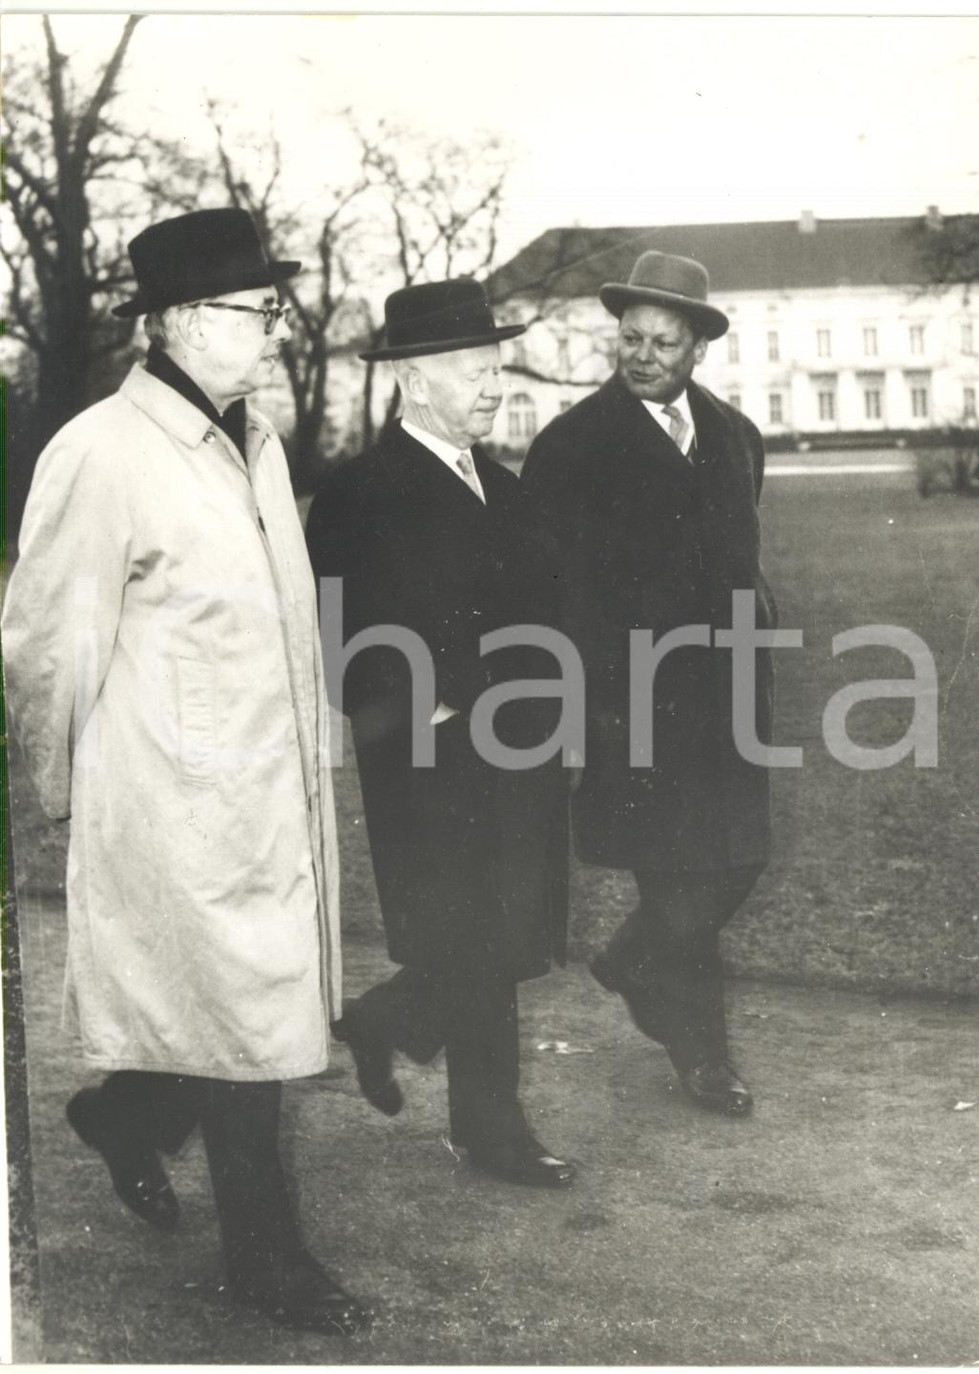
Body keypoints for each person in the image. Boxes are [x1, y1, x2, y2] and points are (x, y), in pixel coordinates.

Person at [2, 208, 368, 1335]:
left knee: (243, 1008)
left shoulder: (250, 445)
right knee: (248, 1020)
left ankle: (127, 1117)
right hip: (176, 795)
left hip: (264, 793)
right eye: (254, 311)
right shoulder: (104, 451)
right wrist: (58, 798)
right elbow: (45, 645)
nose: (271, 329)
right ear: (176, 323)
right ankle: (267, 1259)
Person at [306, 278, 575, 1189]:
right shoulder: (358, 494)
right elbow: (344, 645)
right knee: (468, 942)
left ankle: (418, 1059)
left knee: (500, 944)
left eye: (496, 367)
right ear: (415, 383)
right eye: (474, 370)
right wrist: (445, 705)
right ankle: (482, 1121)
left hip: (520, 754)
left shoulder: (507, 488)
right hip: (430, 767)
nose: (495, 386)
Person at [521, 251, 778, 1116]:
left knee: (739, 861)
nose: (642, 355)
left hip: (731, 702)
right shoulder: (571, 447)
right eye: (630, 337)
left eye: (663, 343)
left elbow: (743, 555)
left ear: (698, 346)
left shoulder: (738, 437)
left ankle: (630, 959)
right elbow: (555, 592)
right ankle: (704, 1059)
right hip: (635, 707)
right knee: (682, 877)